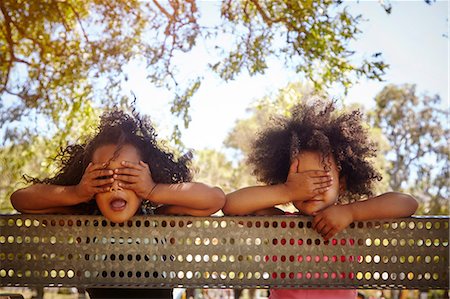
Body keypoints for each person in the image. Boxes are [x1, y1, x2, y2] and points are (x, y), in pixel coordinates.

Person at [10, 109, 226, 298]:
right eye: (102, 177)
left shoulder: (159, 223)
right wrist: (76, 193)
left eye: (128, 176)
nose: (115, 186)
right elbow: (21, 199)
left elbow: (214, 199)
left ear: (147, 177)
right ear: (89, 185)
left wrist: (153, 190)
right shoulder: (84, 226)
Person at [223, 99, 418, 299]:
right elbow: (230, 205)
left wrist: (351, 212)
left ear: (341, 184)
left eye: (321, 177)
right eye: (302, 179)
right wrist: (288, 191)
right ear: (285, 179)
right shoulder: (279, 223)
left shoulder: (352, 223)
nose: (310, 186)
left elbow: (408, 203)